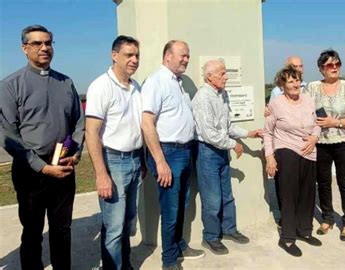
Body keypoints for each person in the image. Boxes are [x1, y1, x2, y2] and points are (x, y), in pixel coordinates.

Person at [0, 25, 84, 269]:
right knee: (33, 230)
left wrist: (76, 154)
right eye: (37, 43)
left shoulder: (66, 82)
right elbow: (9, 135)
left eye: (48, 42)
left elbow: (78, 122)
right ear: (24, 48)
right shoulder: (9, 85)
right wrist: (42, 167)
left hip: (63, 164)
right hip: (30, 170)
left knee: (62, 228)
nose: (45, 48)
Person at [141, 40, 205, 270]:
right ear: (168, 56)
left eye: (188, 55)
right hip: (168, 153)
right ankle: (168, 260)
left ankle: (179, 245)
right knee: (170, 208)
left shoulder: (178, 83)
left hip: (185, 151)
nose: (186, 59)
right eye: (183, 55)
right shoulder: (156, 82)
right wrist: (160, 161)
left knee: (182, 204)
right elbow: (147, 123)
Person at [85, 35, 144, 270]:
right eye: (129, 55)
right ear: (114, 55)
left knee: (128, 223)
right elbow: (91, 133)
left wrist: (145, 162)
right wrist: (101, 174)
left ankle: (124, 264)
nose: (134, 60)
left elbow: (140, 127)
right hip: (114, 162)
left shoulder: (136, 87)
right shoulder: (101, 86)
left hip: (136, 160)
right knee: (114, 227)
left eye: (137, 55)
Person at [192, 60, 262, 255]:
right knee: (212, 199)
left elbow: (227, 126)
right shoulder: (203, 98)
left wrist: (248, 134)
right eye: (222, 73)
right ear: (209, 77)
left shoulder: (222, 94)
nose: (226, 77)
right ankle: (211, 237)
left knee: (226, 195)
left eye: (225, 73)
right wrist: (233, 144)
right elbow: (209, 134)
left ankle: (229, 229)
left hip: (220, 151)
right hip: (207, 151)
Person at [264, 67, 322, 257]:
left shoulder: (309, 100)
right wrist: (270, 157)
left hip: (309, 151)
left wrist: (314, 138)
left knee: (307, 193)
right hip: (286, 150)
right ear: (283, 85)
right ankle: (288, 237)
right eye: (290, 81)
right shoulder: (276, 103)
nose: (295, 84)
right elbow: (268, 132)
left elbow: (318, 124)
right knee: (289, 194)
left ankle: (304, 230)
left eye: (297, 80)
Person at [307, 49, 345, 241]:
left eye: (337, 64)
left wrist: (336, 123)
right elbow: (300, 107)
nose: (335, 68)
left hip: (344, 142)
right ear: (321, 68)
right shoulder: (312, 87)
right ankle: (327, 218)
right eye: (330, 65)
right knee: (323, 182)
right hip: (321, 143)